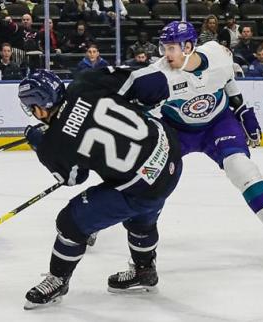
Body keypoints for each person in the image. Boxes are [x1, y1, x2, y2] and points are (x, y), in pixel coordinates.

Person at [120, 21, 263, 264]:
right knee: (148, 177)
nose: (165, 54)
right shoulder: (159, 75)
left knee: (241, 168)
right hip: (177, 131)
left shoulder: (217, 54)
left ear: (189, 46)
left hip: (218, 123)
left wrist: (242, 110)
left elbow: (227, 80)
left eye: (171, 48)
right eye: (164, 48)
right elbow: (139, 110)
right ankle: (104, 220)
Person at [18, 69, 182, 309]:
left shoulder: (52, 144)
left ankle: (58, 280)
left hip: (141, 188)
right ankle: (144, 271)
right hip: (170, 156)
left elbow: (73, 177)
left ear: (40, 106)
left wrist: (40, 144)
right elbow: (150, 83)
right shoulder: (85, 82)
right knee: (142, 214)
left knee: (70, 222)